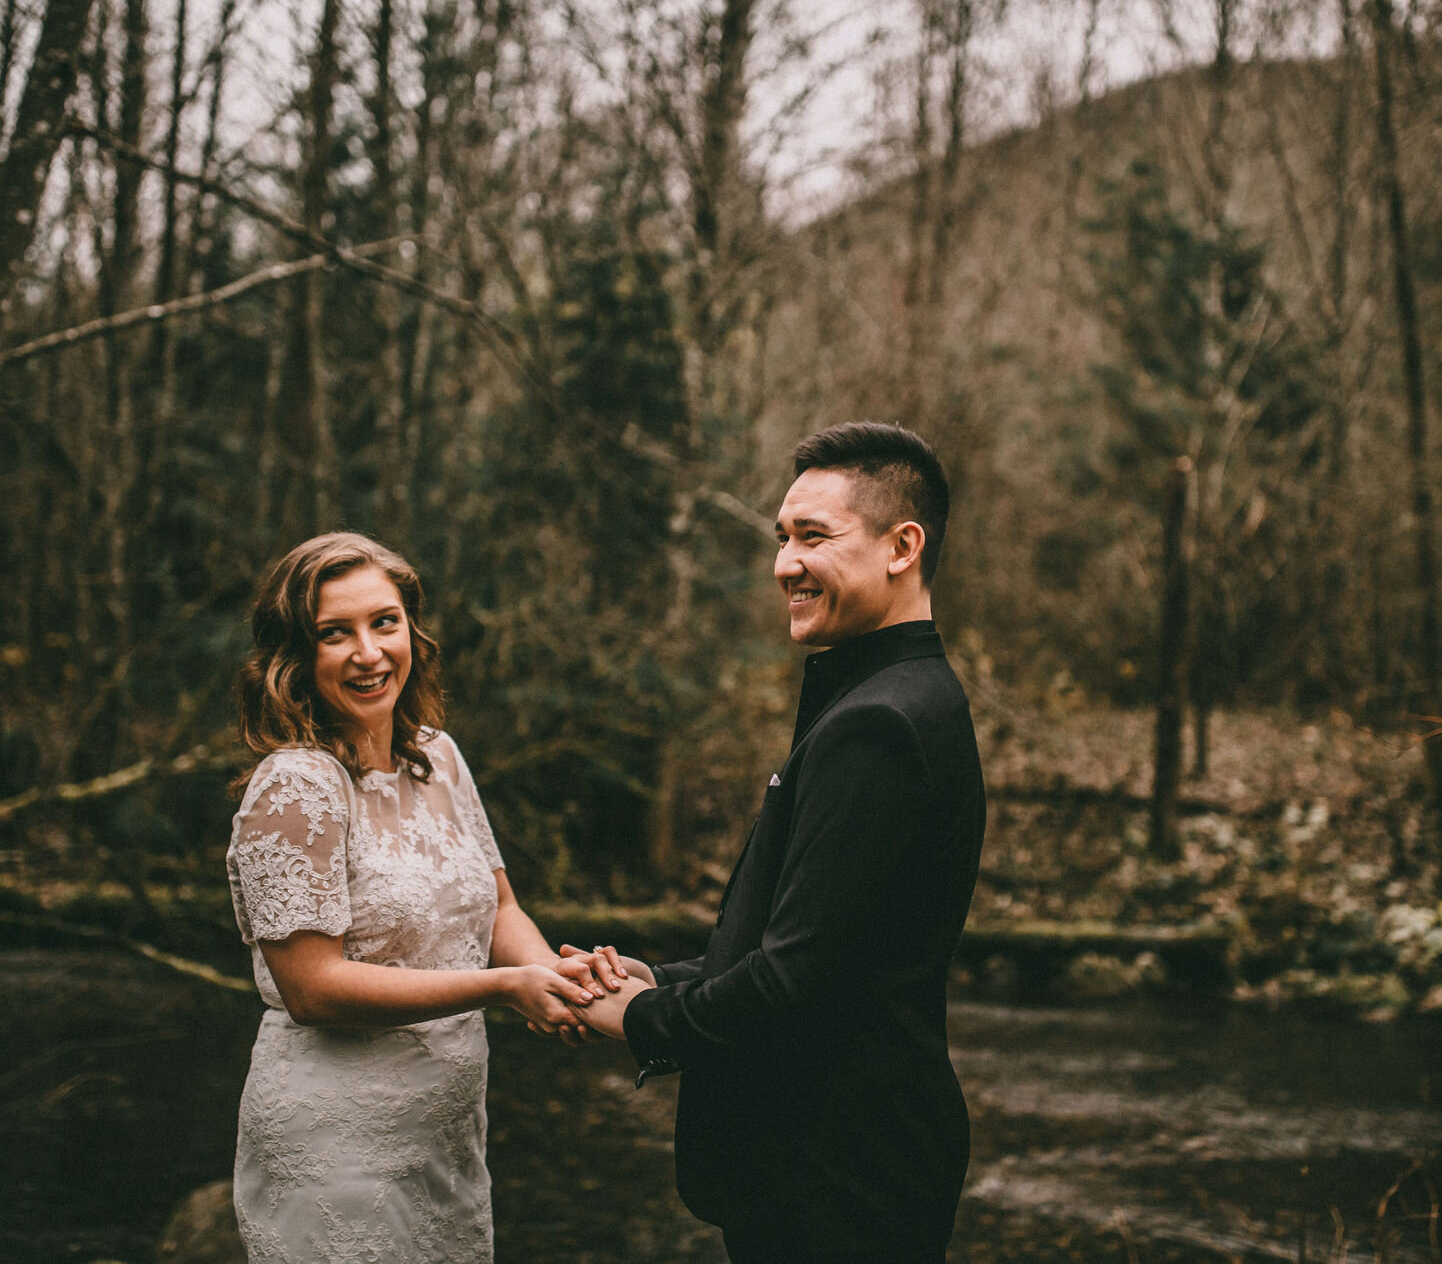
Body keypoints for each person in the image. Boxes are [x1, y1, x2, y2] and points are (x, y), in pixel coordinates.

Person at [578, 422, 988, 1263]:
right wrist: (663, 974)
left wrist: (643, 1016)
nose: (783, 563)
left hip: (837, 1180)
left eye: (813, 537)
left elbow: (794, 979)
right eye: (781, 538)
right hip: (857, 1166)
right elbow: (830, 944)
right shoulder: (903, 692)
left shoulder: (878, 722)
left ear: (902, 545)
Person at [224, 532, 617, 1263]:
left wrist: (561, 981)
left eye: (384, 621)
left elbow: (499, 909)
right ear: (295, 657)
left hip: (447, 1142)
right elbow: (311, 987)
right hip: (336, 1150)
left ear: (413, 629)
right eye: (333, 633)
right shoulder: (294, 786)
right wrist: (505, 987)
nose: (369, 652)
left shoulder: (439, 756)